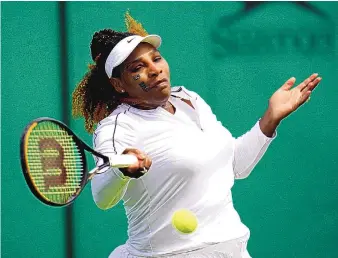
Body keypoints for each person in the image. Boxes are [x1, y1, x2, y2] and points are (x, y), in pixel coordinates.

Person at [72, 13, 321, 258]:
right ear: (118, 84)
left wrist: (271, 117)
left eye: (156, 59)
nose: (154, 70)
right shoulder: (118, 127)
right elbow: (102, 197)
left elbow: (235, 165)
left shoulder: (188, 99)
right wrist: (121, 170)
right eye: (138, 68)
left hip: (231, 248)